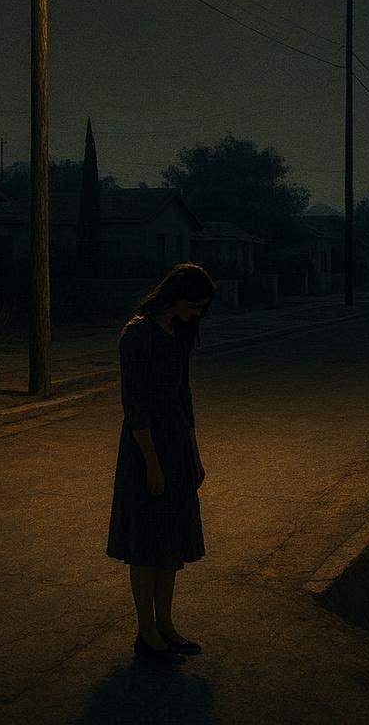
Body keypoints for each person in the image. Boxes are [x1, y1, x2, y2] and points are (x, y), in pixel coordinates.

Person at [106, 262, 216, 664]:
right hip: (144, 449)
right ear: (176, 296)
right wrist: (151, 463)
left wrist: (194, 454)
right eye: (195, 305)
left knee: (169, 542)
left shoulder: (179, 334)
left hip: (176, 446)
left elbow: (184, 399)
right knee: (146, 545)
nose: (197, 314)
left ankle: (166, 625)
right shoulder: (136, 336)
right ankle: (146, 632)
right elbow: (134, 405)